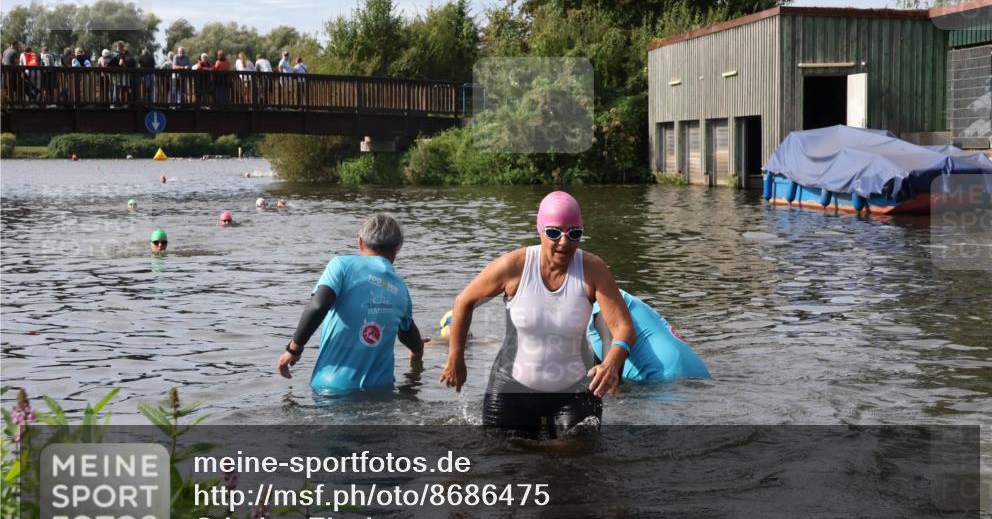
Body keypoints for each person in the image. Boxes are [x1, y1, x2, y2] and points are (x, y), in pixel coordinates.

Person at [439, 191, 635, 439]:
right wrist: (456, 357)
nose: (564, 242)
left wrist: (611, 364)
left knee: (577, 463)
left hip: (575, 388)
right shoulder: (515, 267)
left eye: (574, 234)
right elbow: (464, 301)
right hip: (513, 388)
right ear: (540, 230)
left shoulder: (593, 269)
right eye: (554, 233)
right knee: (504, 460)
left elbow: (624, 327)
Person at [277, 213, 426, 393]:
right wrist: (417, 352)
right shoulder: (400, 287)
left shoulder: (341, 265)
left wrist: (293, 349)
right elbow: (408, 334)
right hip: (381, 391)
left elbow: (319, 305)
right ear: (397, 248)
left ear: (360, 242)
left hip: (331, 388)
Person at [588, 290, 710, 382]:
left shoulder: (602, 304)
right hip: (697, 374)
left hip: (665, 378)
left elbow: (609, 375)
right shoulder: (616, 296)